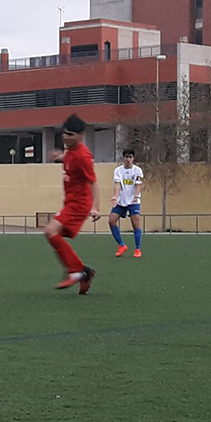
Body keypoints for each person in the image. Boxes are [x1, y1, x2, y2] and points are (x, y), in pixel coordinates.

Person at [44, 114, 100, 295]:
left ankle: (76, 270)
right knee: (54, 235)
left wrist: (96, 207)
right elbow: (69, 158)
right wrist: (59, 156)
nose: (66, 137)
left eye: (70, 135)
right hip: (70, 202)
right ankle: (84, 272)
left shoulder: (83, 156)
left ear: (81, 135)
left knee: (50, 231)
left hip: (79, 204)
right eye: (64, 134)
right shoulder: (70, 151)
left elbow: (93, 182)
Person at [108, 148, 144, 258]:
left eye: (130, 157)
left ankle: (138, 249)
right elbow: (117, 185)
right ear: (123, 158)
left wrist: (136, 195)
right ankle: (121, 245)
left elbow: (138, 185)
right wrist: (115, 196)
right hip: (121, 201)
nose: (128, 159)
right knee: (111, 221)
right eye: (126, 157)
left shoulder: (137, 170)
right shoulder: (118, 171)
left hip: (133, 201)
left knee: (135, 222)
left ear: (133, 158)